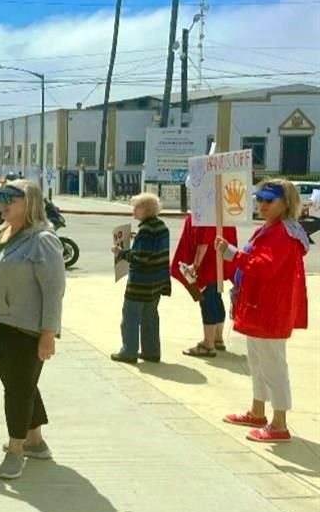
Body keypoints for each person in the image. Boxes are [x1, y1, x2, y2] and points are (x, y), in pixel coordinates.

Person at [0, 179, 65, 480]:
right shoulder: (3, 231)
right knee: (20, 384)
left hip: (28, 327)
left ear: (31, 202)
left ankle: (16, 450)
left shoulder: (42, 239)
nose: (4, 202)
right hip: (2, 322)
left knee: (17, 390)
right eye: (0, 196)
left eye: (12, 197)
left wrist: (49, 334)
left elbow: (54, 291)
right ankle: (35, 441)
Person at [216, 179, 309, 443]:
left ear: (285, 203)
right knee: (257, 362)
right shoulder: (271, 228)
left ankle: (279, 423)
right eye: (260, 199)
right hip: (259, 305)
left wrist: (233, 254)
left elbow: (265, 266)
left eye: (270, 200)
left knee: (273, 365)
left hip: (271, 307)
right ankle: (258, 411)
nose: (263, 205)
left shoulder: (282, 233)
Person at [111, 193, 171, 364]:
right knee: (150, 316)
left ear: (146, 210)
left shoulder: (146, 230)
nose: (134, 211)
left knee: (130, 317)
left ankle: (129, 351)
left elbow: (141, 256)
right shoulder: (161, 226)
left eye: (136, 207)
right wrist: (137, 238)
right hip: (157, 281)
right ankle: (151, 351)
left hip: (141, 282)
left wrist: (121, 253)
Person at [173, 213, 238, 357]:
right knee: (216, 297)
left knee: (207, 301)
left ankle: (208, 344)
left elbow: (204, 242)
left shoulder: (204, 214)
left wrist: (195, 266)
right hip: (218, 262)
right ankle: (217, 338)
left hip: (207, 264)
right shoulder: (223, 213)